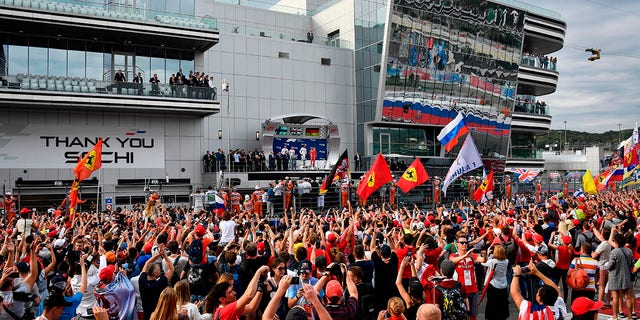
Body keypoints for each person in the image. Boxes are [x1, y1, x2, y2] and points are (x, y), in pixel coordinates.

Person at [139, 243, 175, 320]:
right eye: (159, 270)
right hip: (158, 314)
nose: (160, 271)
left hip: (146, 314)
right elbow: (171, 269)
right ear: (155, 273)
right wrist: (164, 255)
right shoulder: (159, 284)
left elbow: (147, 263)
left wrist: (158, 255)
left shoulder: (142, 280)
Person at [604, 230, 634, 320]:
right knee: (628, 297)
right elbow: (632, 264)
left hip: (615, 276)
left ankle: (615, 316)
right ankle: (630, 316)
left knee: (615, 297)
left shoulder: (614, 252)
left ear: (616, 242)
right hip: (626, 276)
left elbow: (610, 266)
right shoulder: (629, 251)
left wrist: (606, 265)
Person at [481, 245, 509, 320]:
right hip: (503, 284)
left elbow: (483, 263)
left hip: (494, 284)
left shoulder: (492, 262)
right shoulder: (506, 261)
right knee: (502, 303)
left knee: (492, 303)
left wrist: (487, 254)